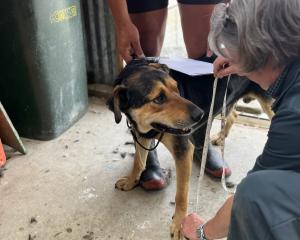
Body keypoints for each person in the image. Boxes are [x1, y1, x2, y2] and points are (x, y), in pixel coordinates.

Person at [181, 0, 300, 239]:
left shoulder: (294, 115)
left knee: (255, 195)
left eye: (236, 53)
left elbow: (246, 199)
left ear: (262, 52)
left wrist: (202, 232)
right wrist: (244, 61)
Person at [108, 0, 232, 191]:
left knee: (204, 56)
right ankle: (146, 156)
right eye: (159, 99)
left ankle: (198, 141)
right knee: (144, 49)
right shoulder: (125, 95)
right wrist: (123, 23)